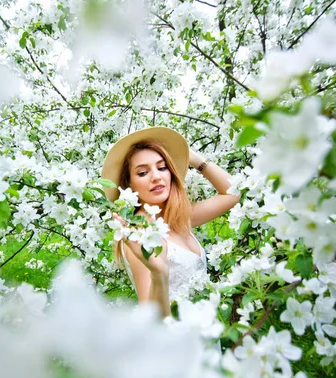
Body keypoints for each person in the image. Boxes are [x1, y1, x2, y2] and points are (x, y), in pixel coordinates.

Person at [101, 126, 240, 317]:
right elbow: (152, 318)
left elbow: (234, 192)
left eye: (162, 167)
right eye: (142, 173)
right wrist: (159, 274)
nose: (156, 176)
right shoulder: (139, 234)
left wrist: (194, 159)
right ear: (129, 184)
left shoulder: (177, 218)